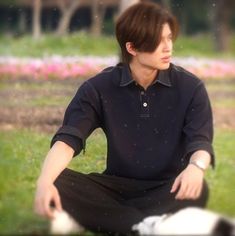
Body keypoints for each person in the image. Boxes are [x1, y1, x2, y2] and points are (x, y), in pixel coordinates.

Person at [34, 1, 214, 235]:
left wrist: (196, 168)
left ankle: (104, 218)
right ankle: (145, 225)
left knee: (198, 188)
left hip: (167, 188)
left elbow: (200, 143)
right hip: (115, 186)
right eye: (158, 41)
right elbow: (68, 140)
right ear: (132, 47)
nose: (167, 47)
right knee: (56, 180)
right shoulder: (98, 88)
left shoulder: (191, 88)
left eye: (169, 38)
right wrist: (43, 183)